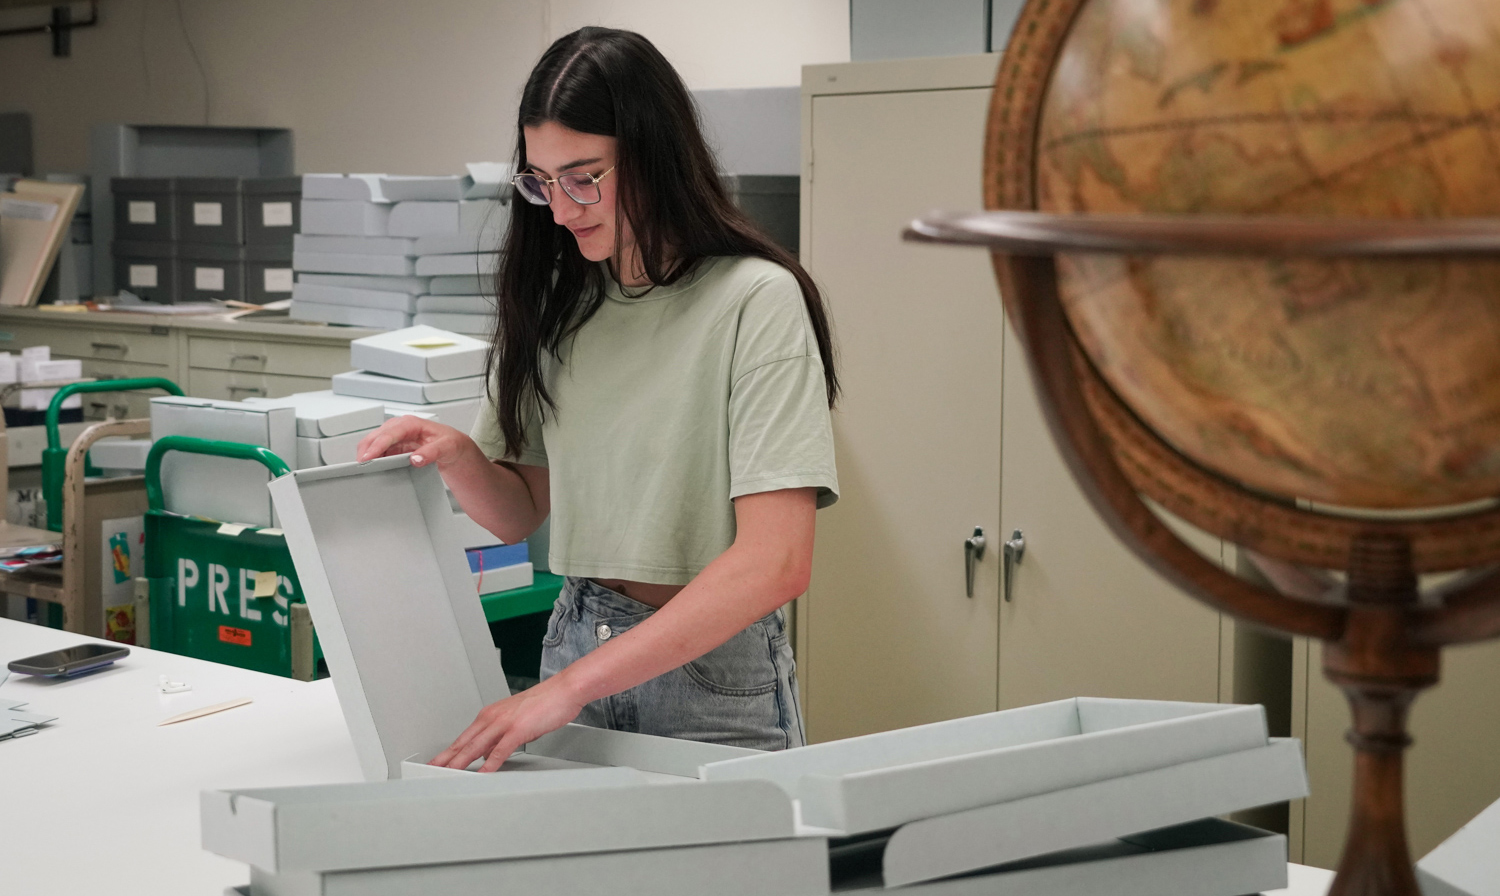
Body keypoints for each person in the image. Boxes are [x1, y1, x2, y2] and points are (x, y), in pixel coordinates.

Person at [356, 26, 839, 772]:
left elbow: (777, 562)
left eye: (583, 177)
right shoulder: (562, 304)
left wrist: (570, 689)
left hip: (709, 675)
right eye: (541, 181)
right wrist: (456, 456)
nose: (560, 206)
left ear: (654, 155)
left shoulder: (756, 300)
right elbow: (521, 511)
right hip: (576, 635)